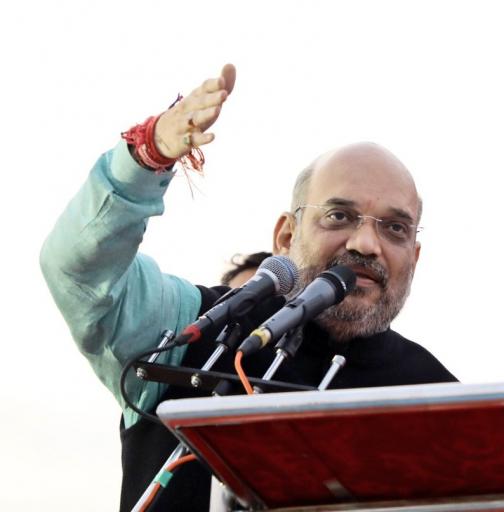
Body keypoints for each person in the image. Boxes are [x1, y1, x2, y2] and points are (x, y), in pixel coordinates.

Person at [40, 64, 456, 511]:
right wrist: (146, 156)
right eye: (339, 216)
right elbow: (78, 271)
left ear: (414, 258)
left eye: (395, 228)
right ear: (286, 236)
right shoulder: (195, 328)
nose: (366, 244)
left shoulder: (440, 401)